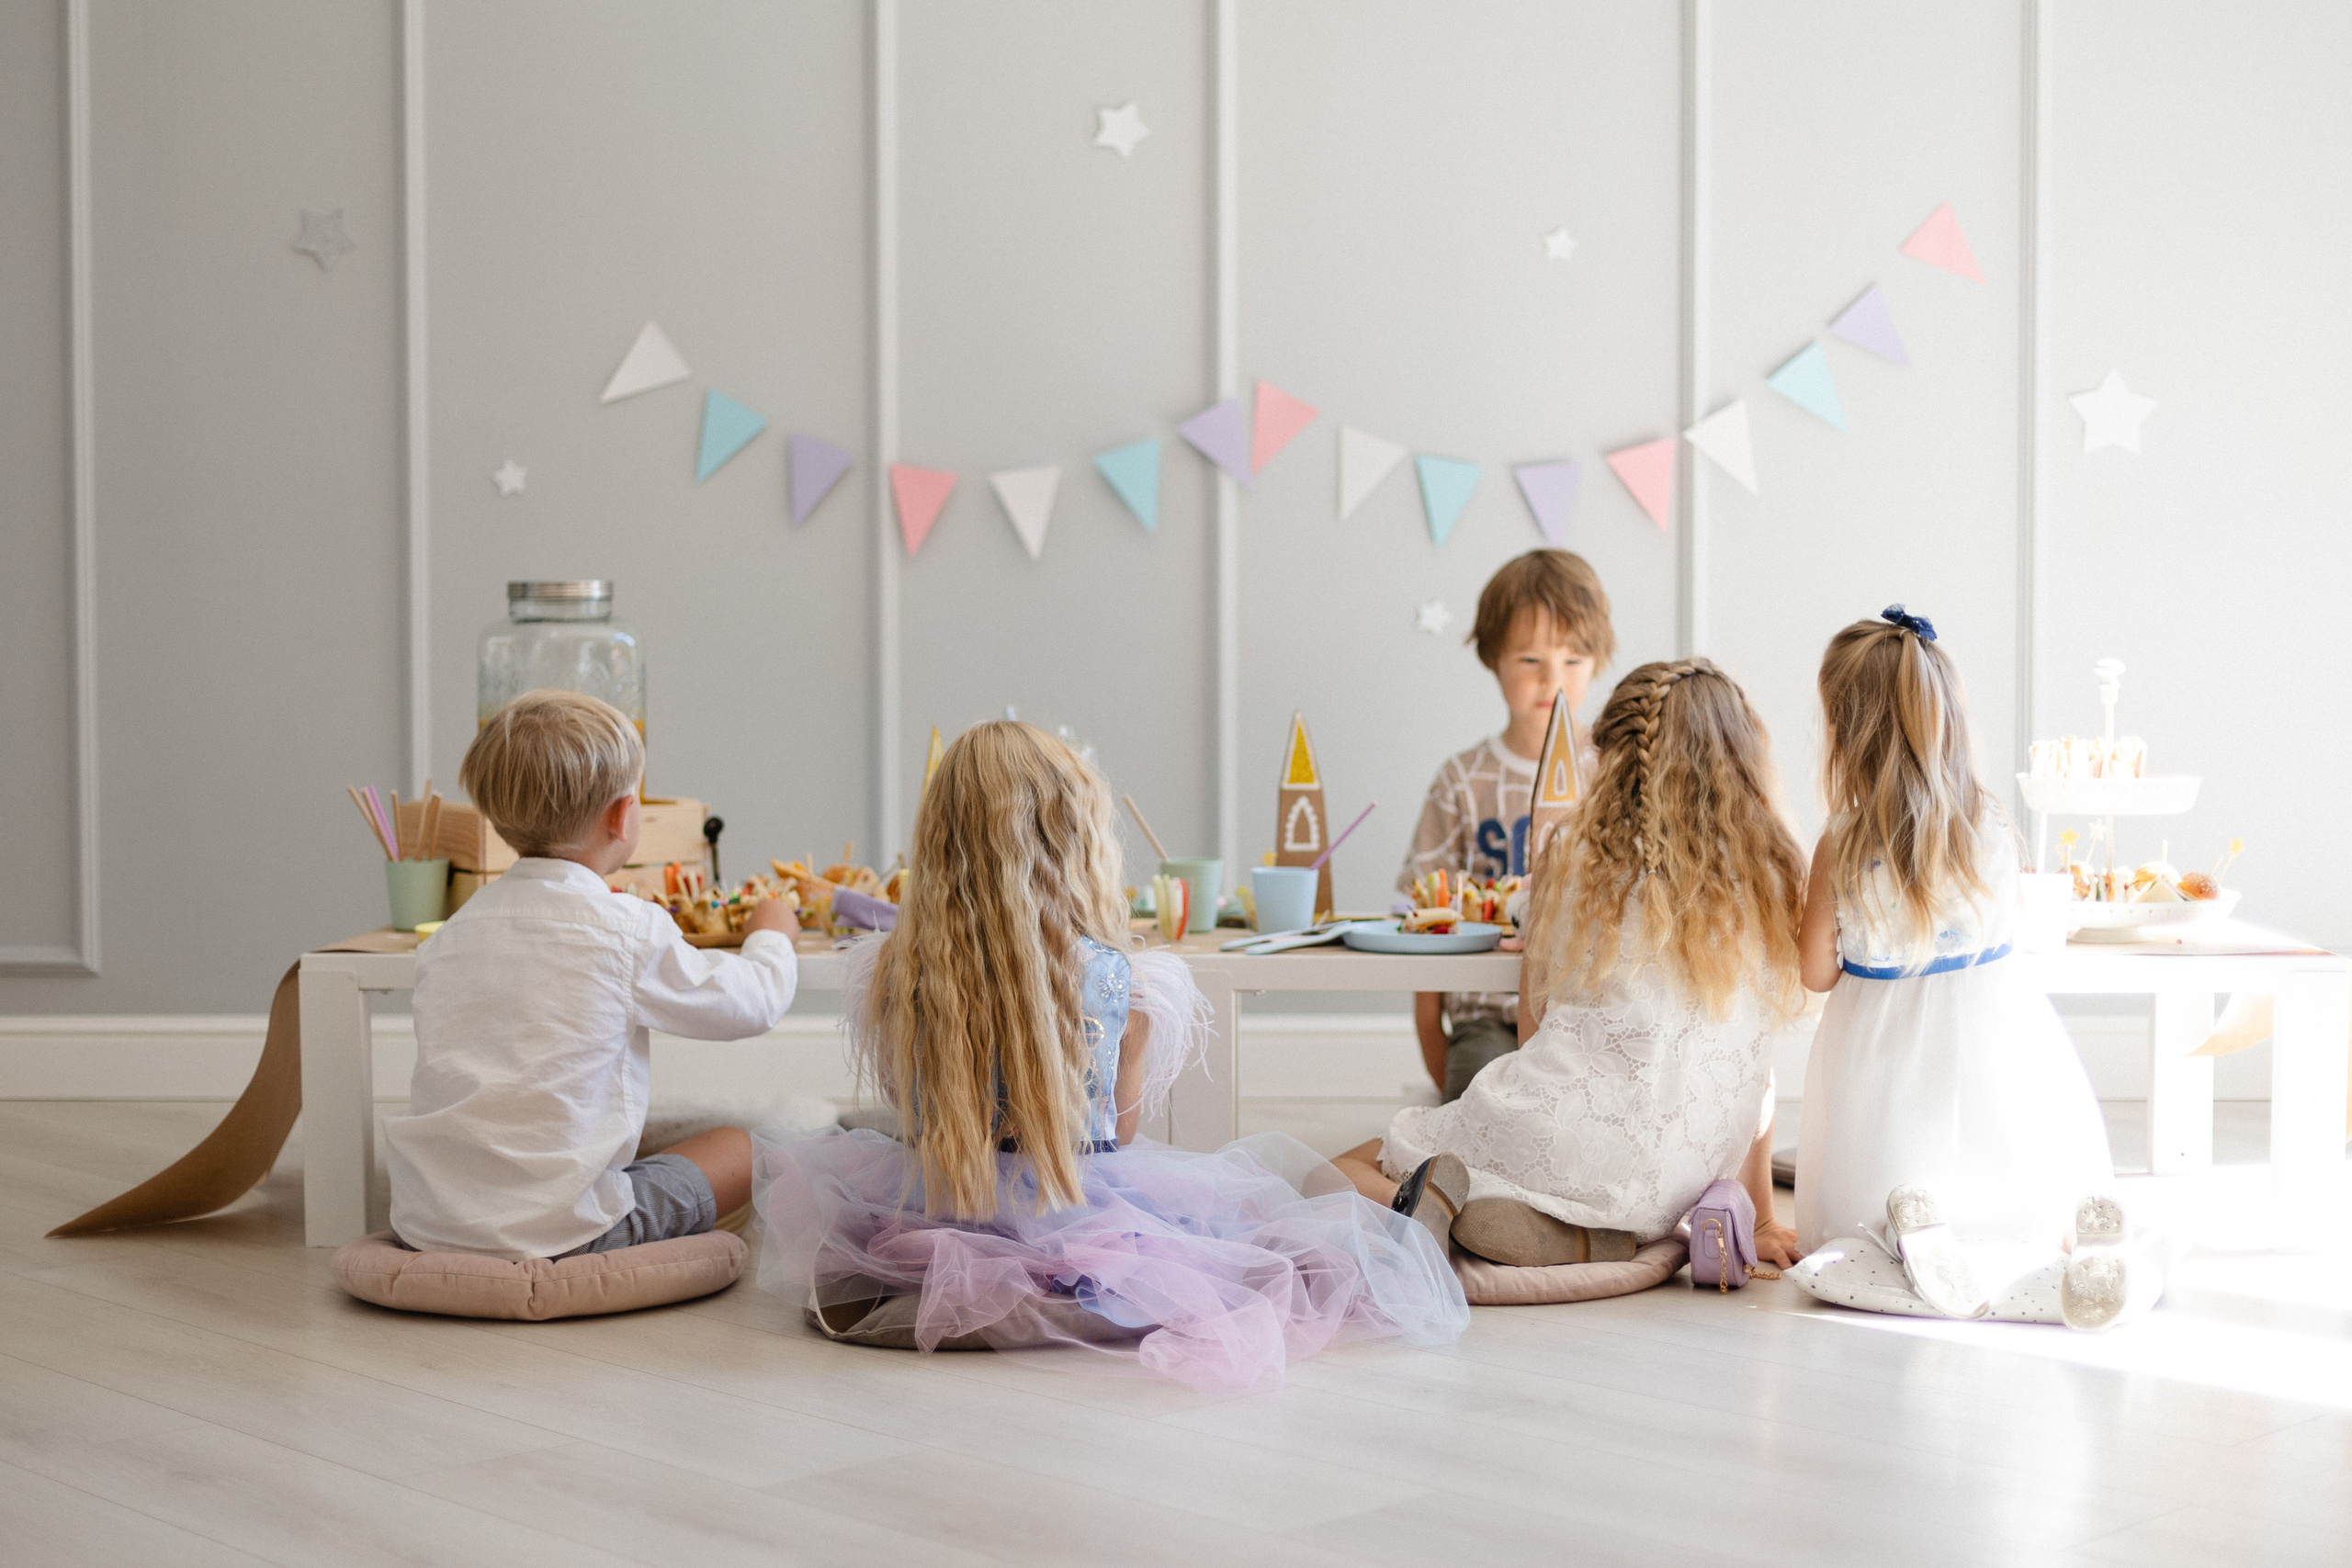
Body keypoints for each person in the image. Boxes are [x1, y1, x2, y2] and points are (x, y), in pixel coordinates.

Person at [753, 721, 1467, 1389]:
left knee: (1257, 1207)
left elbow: (907, 1106)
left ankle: (1392, 1203)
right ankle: (1401, 1224)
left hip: (937, 1203)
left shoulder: (889, 971)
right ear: (1070, 843)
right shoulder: (1122, 979)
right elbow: (1117, 1134)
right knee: (1260, 1223)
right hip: (1079, 1210)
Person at [1337, 660, 1807, 1270]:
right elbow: (1757, 1071)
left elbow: (1532, 1027)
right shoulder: (1773, 874)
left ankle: (1427, 1211)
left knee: (1342, 1168)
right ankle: (1597, 1234)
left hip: (1560, 1135)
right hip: (1674, 1182)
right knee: (1572, 1165)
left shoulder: (1574, 856)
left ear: (1609, 760)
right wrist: (1763, 1218)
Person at [1791, 607, 2154, 1329]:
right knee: (2031, 1189)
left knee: (1861, 1218)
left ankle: (1909, 1229)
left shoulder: (1843, 842)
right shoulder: (1988, 823)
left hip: (1886, 1068)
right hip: (2001, 1048)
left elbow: (1815, 972)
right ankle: (2067, 1233)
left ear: (1845, 732)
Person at [383, 690, 798, 1259]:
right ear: (623, 816)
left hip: (429, 1220)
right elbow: (752, 1004)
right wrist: (772, 935)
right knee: (740, 1148)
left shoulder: (450, 935)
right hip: (567, 1233)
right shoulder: (627, 929)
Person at [1399, 548, 1613, 1101]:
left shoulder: (1613, 772)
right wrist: (1431, 1034)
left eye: (1573, 660)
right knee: (1478, 1103)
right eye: (1530, 659)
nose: (1552, 680)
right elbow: (1424, 915)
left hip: (1590, 1014)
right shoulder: (1463, 780)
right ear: (1493, 659)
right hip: (1487, 1016)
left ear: (1598, 661)